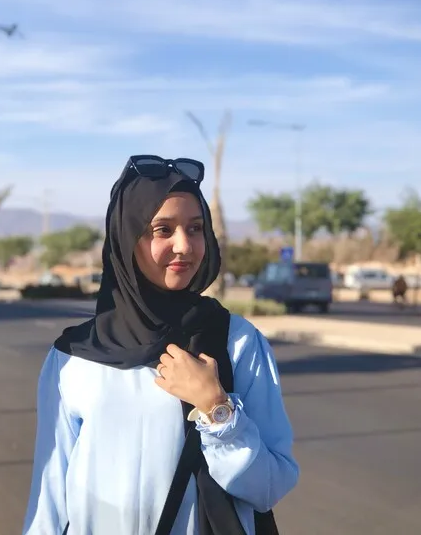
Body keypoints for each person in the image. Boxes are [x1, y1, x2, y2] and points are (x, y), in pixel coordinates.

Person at [22, 155, 299, 535]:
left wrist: (217, 410)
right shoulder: (74, 357)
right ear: (127, 239)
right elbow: (49, 500)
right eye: (163, 230)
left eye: (196, 228)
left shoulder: (236, 342)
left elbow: (269, 487)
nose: (184, 246)